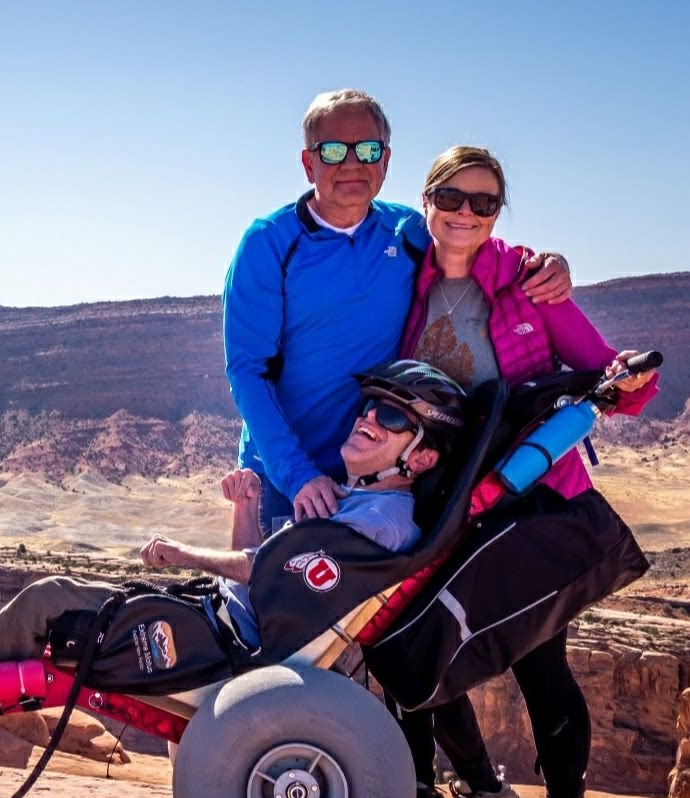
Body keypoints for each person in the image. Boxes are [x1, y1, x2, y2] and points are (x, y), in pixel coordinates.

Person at [0, 362, 466, 681]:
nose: (366, 420)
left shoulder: (380, 523)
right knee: (49, 608)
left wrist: (182, 554)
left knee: (49, 599)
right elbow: (259, 578)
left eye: (392, 419)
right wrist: (246, 510)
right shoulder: (359, 505)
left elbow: (264, 572)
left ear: (424, 456)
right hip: (217, 621)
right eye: (368, 407)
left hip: (218, 644)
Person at [393, 144, 660, 798]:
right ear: (428, 200)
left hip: (530, 494)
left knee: (542, 656)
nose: (466, 215)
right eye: (453, 198)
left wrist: (627, 380)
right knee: (405, 639)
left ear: (499, 213)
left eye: (485, 203)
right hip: (438, 498)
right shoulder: (402, 278)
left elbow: (618, 378)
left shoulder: (525, 283)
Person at [222, 89, 572, 536]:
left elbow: (477, 249)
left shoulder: (406, 232)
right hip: (286, 475)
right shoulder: (269, 244)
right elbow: (248, 370)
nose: (352, 164)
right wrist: (298, 475)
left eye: (367, 150)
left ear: (385, 161)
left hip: (384, 478)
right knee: (270, 600)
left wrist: (546, 263)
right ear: (309, 163)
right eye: (332, 151)